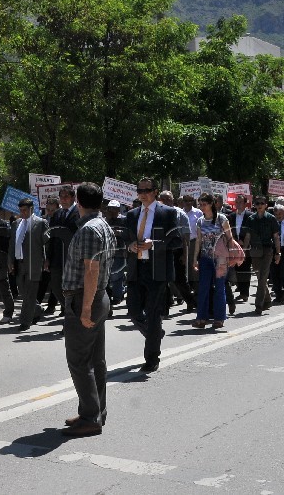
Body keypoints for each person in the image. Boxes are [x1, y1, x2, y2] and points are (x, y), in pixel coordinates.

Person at [59, 182, 116, 438]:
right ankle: (94, 411)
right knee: (95, 360)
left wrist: (84, 309)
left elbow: (91, 270)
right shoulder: (102, 225)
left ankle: (91, 417)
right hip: (96, 297)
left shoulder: (90, 229)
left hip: (86, 298)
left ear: (78, 202)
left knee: (79, 361)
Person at [124, 178, 182, 372]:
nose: (142, 194)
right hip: (136, 268)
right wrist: (130, 246)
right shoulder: (131, 214)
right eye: (139, 190)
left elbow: (176, 241)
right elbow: (125, 239)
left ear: (155, 191)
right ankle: (155, 333)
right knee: (133, 311)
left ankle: (151, 358)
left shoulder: (168, 212)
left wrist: (154, 244)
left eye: (146, 190)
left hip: (157, 270)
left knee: (153, 313)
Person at [190, 193, 233, 329]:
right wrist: (195, 259)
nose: (202, 207)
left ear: (211, 204)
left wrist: (231, 256)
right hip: (205, 258)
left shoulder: (221, 218)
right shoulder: (200, 221)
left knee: (219, 288)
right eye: (200, 204)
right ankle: (201, 318)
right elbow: (198, 240)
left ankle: (219, 318)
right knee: (203, 288)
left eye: (204, 204)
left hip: (220, 258)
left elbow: (230, 238)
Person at [13, 198, 49, 331]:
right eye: (21, 210)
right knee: (24, 292)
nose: (22, 213)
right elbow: (12, 243)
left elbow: (47, 243)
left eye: (25, 210)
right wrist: (10, 261)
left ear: (31, 209)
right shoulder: (16, 223)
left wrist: (47, 259)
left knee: (30, 292)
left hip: (34, 263)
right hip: (19, 263)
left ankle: (25, 321)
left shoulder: (40, 223)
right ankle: (37, 309)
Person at [45, 188, 80, 318]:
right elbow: (52, 237)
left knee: (71, 288)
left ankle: (71, 315)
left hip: (72, 258)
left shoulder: (79, 213)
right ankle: (70, 310)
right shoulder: (57, 214)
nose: (64, 199)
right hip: (57, 258)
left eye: (66, 196)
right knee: (55, 286)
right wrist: (48, 258)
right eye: (61, 197)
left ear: (73, 198)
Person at [242, 199, 280, 314]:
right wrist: (244, 251)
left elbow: (276, 237)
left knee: (263, 277)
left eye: (262, 203)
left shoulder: (271, 218)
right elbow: (247, 236)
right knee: (260, 277)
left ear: (266, 205)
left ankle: (259, 304)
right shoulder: (251, 219)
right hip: (255, 250)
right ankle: (267, 300)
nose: (259, 205)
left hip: (267, 250)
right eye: (257, 203)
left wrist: (278, 252)